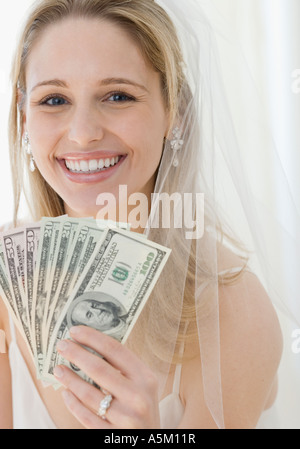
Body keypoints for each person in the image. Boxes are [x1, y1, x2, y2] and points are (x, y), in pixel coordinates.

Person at [0, 0, 290, 429]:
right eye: (54, 99)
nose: (82, 134)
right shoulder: (9, 278)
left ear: (174, 113)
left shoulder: (232, 312)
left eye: (118, 95)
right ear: (24, 118)